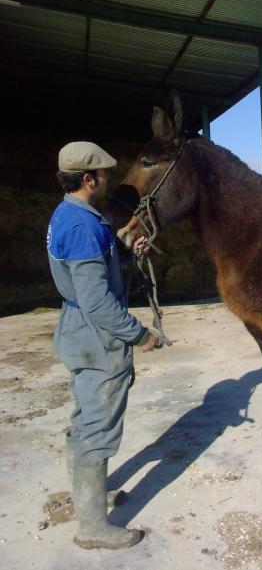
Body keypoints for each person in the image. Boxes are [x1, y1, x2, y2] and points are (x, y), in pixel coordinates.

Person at [47, 141, 158, 550]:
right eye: (107, 174)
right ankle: (92, 526)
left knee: (85, 414)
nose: (111, 180)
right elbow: (95, 299)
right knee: (98, 426)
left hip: (77, 328)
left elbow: (91, 273)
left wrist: (126, 252)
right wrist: (137, 333)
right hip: (96, 334)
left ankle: (87, 498)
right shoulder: (81, 226)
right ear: (88, 179)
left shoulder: (73, 215)